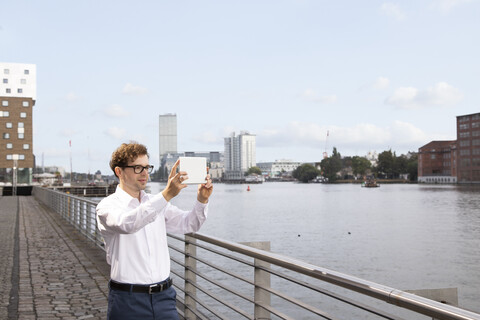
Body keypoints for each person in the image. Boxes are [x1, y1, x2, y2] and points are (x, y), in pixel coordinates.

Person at [96, 142, 213, 320]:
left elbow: (189, 224)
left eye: (146, 167)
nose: (144, 173)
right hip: (128, 300)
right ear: (119, 172)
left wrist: (201, 200)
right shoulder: (107, 206)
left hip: (164, 298)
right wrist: (166, 194)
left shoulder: (156, 202)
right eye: (137, 168)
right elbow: (128, 224)